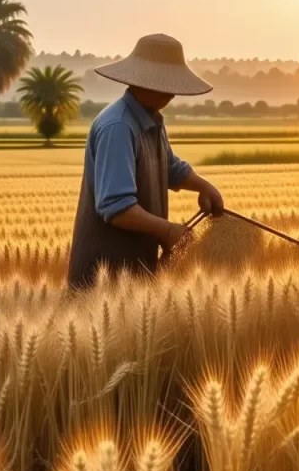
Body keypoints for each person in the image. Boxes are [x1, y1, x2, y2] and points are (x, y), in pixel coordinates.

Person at [68, 34, 223, 290]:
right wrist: (168, 231)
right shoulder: (118, 126)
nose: (173, 92)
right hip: (104, 282)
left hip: (136, 278)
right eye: (168, 83)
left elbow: (170, 168)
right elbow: (117, 208)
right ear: (146, 81)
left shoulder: (151, 120)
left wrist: (203, 186)